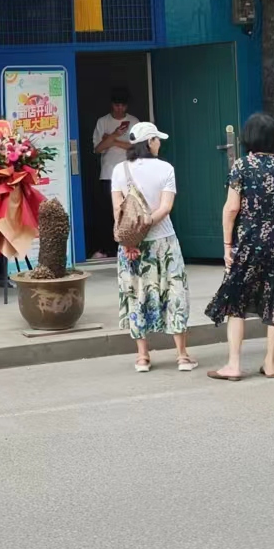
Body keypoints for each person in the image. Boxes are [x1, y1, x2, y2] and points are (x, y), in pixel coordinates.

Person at [205, 111, 274, 381]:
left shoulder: (242, 166)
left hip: (250, 239)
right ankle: (270, 364)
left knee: (237, 299)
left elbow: (232, 208)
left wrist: (227, 244)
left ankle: (233, 365)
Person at [110, 121, 194, 373]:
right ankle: (182, 356)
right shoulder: (166, 168)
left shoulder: (119, 170)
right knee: (174, 292)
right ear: (150, 142)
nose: (159, 144)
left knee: (136, 294)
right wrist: (146, 226)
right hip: (164, 241)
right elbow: (165, 207)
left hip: (131, 247)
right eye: (157, 140)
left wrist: (130, 240)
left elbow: (118, 210)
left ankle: (142, 357)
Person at [89, 88, 140, 259]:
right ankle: (106, 248)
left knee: (130, 211)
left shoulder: (134, 121)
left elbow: (136, 147)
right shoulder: (103, 121)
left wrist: (112, 140)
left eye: (123, 105)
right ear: (112, 105)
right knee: (107, 212)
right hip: (108, 173)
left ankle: (130, 246)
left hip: (130, 173)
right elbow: (97, 148)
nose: (120, 109)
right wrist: (114, 135)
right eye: (117, 105)